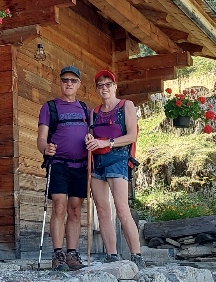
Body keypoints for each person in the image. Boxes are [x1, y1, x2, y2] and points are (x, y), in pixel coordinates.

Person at [85, 69, 143, 267]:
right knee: (102, 210)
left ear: (115, 86)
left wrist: (106, 143)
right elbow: (91, 135)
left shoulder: (126, 106)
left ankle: (137, 255)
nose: (104, 88)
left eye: (108, 84)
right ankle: (112, 255)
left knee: (121, 209)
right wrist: (90, 139)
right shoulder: (94, 112)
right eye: (100, 85)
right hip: (97, 164)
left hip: (118, 161)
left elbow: (131, 136)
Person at [37, 66, 91, 271]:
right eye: (65, 80)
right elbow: (41, 138)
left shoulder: (86, 110)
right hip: (58, 163)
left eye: (73, 81)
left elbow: (92, 136)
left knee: (75, 209)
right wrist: (46, 149)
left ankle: (72, 253)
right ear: (60, 82)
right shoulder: (49, 107)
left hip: (80, 166)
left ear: (79, 84)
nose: (69, 83)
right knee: (59, 205)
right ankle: (58, 254)